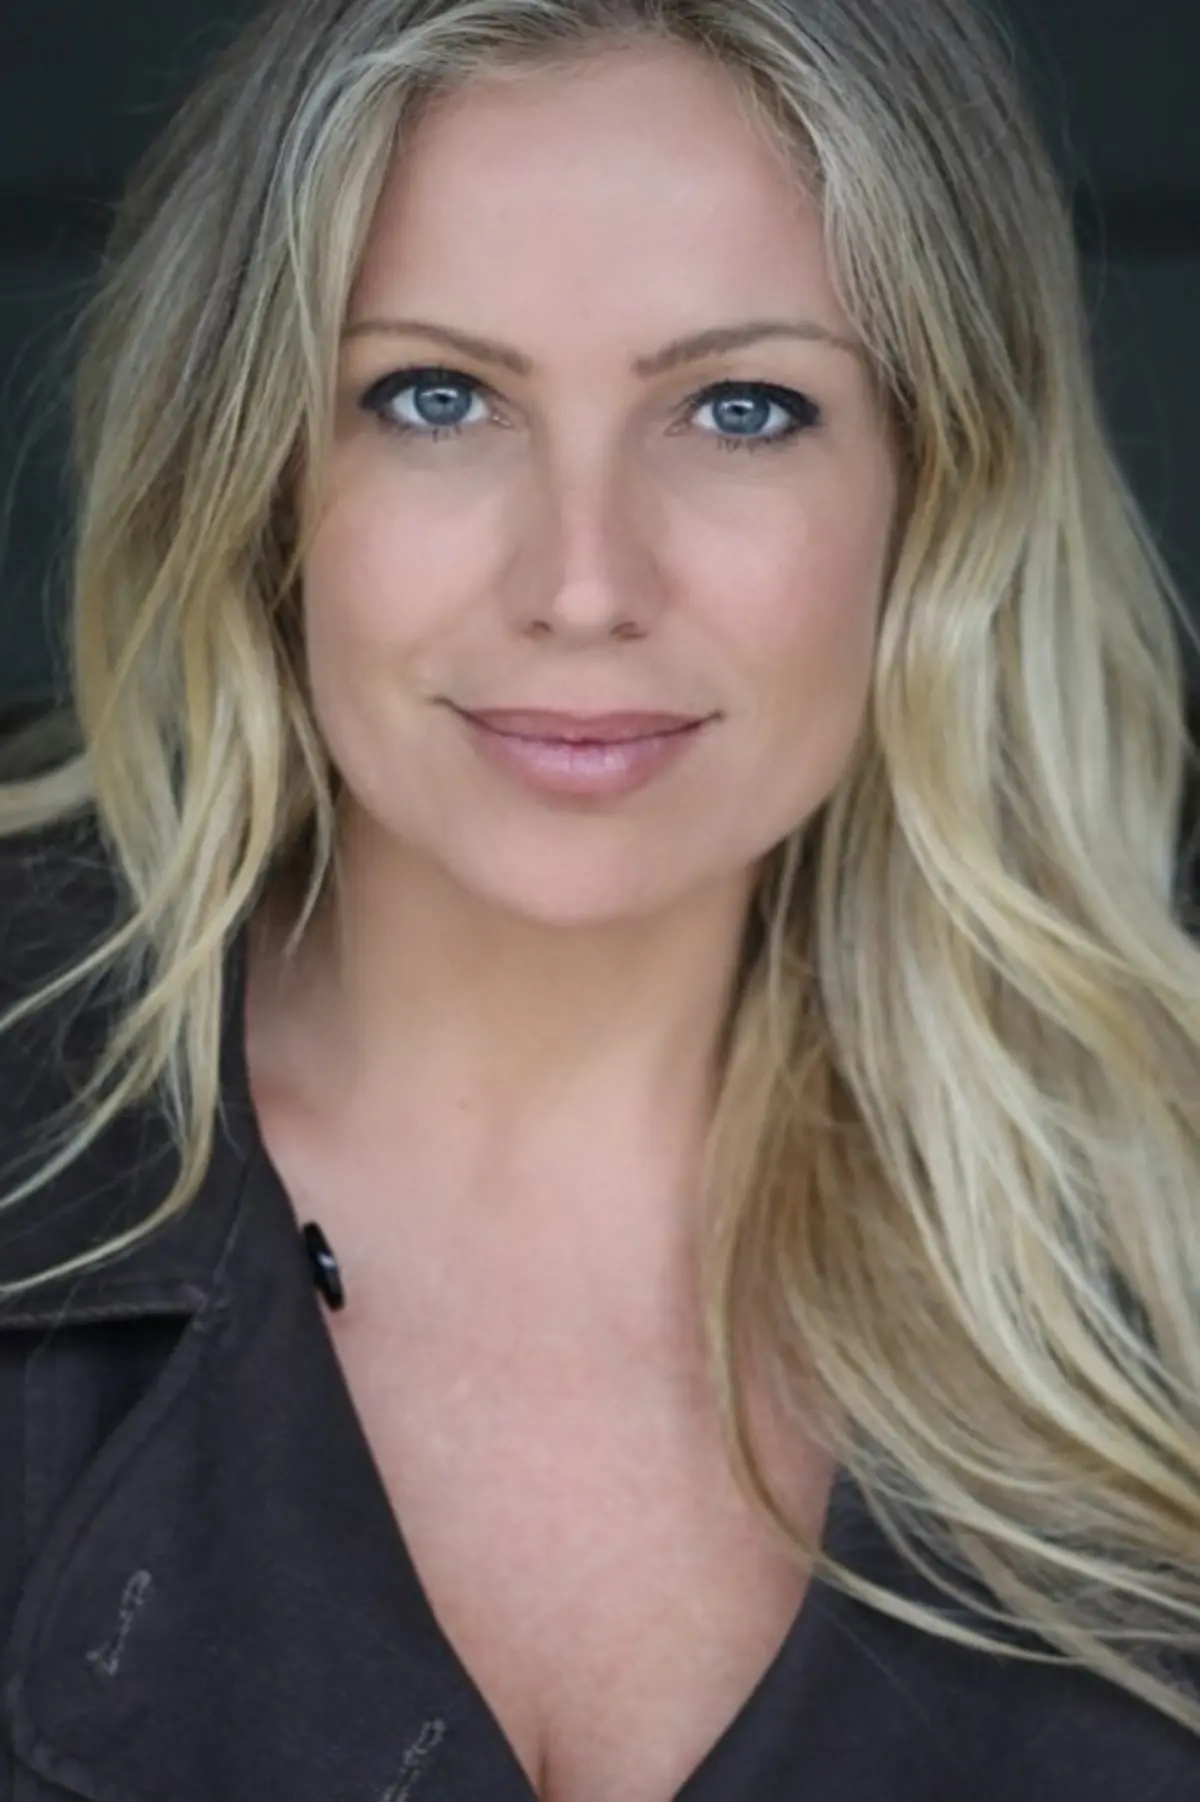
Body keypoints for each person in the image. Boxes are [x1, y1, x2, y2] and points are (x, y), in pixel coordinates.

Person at [1, 0, 1199, 1796]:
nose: (581, 581)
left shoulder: (1161, 1241)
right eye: (436, 397)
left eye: (740, 407)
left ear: (934, 488)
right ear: (261, 475)